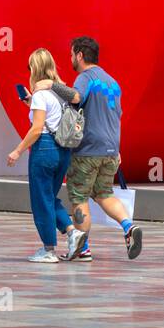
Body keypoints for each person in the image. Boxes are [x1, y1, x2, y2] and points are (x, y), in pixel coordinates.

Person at [43, 36, 142, 261]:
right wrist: (115, 149)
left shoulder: (85, 78)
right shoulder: (113, 82)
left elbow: (77, 97)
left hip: (87, 151)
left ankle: (82, 247)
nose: (70, 59)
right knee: (104, 194)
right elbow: (117, 116)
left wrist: (52, 85)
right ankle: (128, 227)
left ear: (80, 55)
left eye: (71, 55)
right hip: (111, 151)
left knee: (79, 198)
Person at [6, 48, 82, 263]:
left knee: (40, 200)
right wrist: (31, 104)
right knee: (48, 197)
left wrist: (17, 150)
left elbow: (37, 128)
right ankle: (72, 232)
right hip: (63, 150)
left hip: (44, 149)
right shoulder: (61, 92)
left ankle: (48, 250)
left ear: (35, 68)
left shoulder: (41, 94)